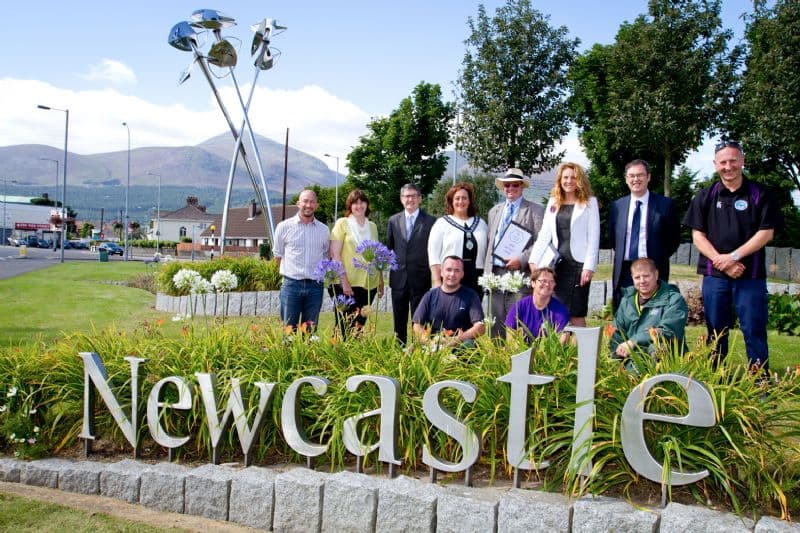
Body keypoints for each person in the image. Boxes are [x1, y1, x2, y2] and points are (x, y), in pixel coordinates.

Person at [683, 140, 781, 373]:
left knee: (753, 328)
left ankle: (760, 379)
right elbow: (697, 236)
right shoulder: (705, 196)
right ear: (716, 164)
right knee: (716, 330)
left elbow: (766, 233)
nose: (729, 166)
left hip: (751, 275)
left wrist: (734, 257)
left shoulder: (760, 194)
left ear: (742, 161)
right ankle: (715, 376)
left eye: (733, 161)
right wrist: (722, 262)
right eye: (723, 162)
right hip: (714, 276)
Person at [529, 162, 600, 327]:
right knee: (555, 312)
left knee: (576, 313)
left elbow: (594, 236)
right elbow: (544, 234)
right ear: (560, 180)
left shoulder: (590, 203)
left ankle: (581, 351)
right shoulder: (554, 202)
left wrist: (589, 267)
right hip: (556, 265)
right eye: (565, 177)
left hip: (578, 266)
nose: (569, 181)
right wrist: (534, 261)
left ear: (579, 180)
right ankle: (558, 351)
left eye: (573, 177)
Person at [609, 159, 680, 311]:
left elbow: (673, 239)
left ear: (648, 177)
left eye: (640, 175)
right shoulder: (617, 206)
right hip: (625, 269)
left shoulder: (665, 205)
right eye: (632, 176)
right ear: (626, 178)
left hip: (653, 267)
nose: (636, 179)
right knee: (624, 311)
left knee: (652, 313)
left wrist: (658, 256)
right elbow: (614, 238)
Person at [484, 168, 545, 338]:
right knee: (495, 325)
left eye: (515, 185)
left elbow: (541, 243)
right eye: (507, 185)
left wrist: (522, 259)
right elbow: (491, 243)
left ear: (522, 186)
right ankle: (497, 362)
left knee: (521, 323)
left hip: (520, 274)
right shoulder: (494, 211)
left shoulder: (535, 211)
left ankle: (522, 361)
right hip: (495, 274)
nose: (511, 189)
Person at [609, 258, 688, 360]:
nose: (642, 281)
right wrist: (615, 360)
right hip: (631, 362)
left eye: (646, 276)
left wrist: (633, 341)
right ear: (632, 278)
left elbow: (669, 331)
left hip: (663, 362)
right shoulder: (627, 301)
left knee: (657, 348)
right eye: (637, 277)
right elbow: (617, 334)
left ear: (656, 275)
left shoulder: (674, 300)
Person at [273, 189, 330, 330]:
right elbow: (277, 255)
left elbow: (326, 257)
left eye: (312, 202)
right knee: (288, 332)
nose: (308, 205)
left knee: (310, 333)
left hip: (315, 288)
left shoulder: (324, 230)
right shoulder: (284, 227)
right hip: (291, 285)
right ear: (298, 203)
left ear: (317, 205)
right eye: (305, 201)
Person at [330, 189, 384, 337]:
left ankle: (355, 357)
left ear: (367, 204)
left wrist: (380, 279)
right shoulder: (342, 223)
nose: (359, 206)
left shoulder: (372, 226)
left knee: (359, 326)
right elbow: (335, 254)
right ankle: (338, 357)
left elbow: (376, 254)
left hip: (369, 284)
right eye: (355, 203)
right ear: (350, 206)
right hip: (347, 284)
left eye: (362, 202)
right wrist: (344, 281)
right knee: (343, 325)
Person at [387, 183, 436, 345]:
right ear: (401, 199)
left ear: (420, 199)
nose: (410, 199)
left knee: (421, 321)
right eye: (407, 196)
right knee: (399, 322)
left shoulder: (430, 222)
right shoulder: (393, 221)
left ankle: (421, 353)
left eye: (414, 196)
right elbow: (390, 249)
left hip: (421, 280)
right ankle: (399, 352)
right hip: (399, 280)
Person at [427, 182, 488, 297]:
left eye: (464, 198)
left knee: (473, 312)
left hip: (476, 277)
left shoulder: (481, 223)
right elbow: (433, 255)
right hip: (451, 275)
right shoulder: (442, 223)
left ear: (469, 201)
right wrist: (436, 281)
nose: (461, 202)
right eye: (457, 198)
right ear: (451, 201)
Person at [413, 255, 485, 348]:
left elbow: (480, 327)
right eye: (449, 270)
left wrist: (456, 340)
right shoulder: (430, 296)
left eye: (457, 270)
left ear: (462, 274)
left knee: (469, 345)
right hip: (433, 347)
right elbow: (417, 325)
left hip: (461, 347)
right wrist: (430, 344)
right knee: (411, 350)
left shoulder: (471, 296)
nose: (452, 274)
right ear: (442, 272)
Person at [505, 267, 570, 343]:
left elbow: (563, 338)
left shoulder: (561, 310)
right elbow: (510, 333)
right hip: (523, 351)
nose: (547, 284)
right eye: (543, 281)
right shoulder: (519, 307)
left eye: (551, 282)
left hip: (549, 353)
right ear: (533, 283)